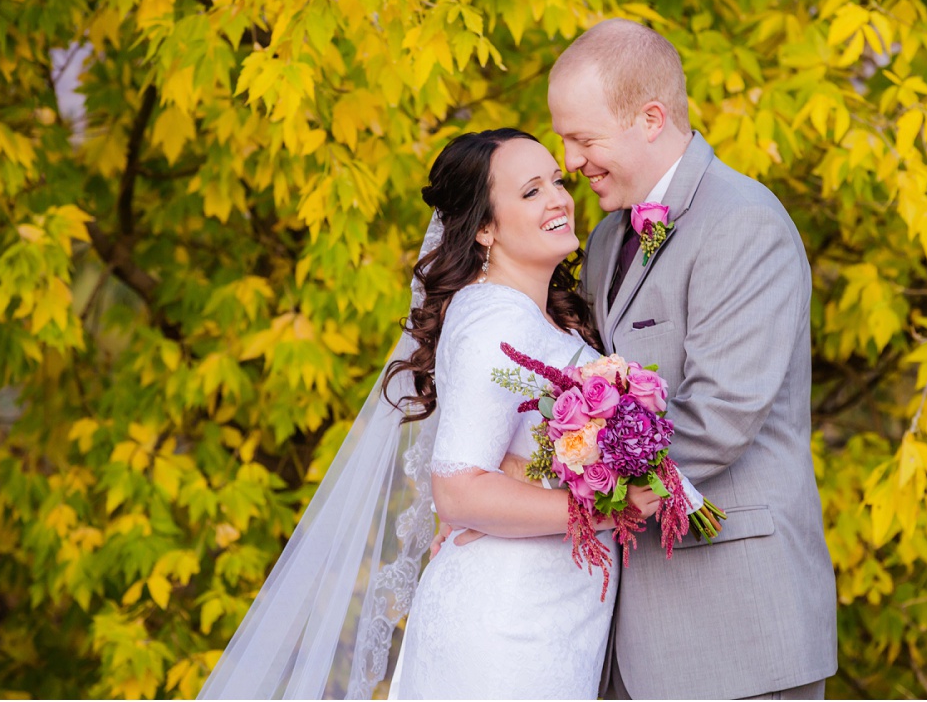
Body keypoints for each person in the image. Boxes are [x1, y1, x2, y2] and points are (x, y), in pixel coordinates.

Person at [197, 128, 660, 700]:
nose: (559, 199)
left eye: (558, 183)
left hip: (549, 616)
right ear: (485, 228)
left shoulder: (544, 319)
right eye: (531, 191)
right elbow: (460, 493)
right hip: (507, 627)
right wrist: (609, 511)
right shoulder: (493, 323)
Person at [547, 18, 839, 700]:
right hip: (632, 628)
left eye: (584, 138)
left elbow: (721, 414)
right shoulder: (605, 239)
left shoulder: (743, 223)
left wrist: (564, 495)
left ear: (651, 118)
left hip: (736, 625)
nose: (569, 159)